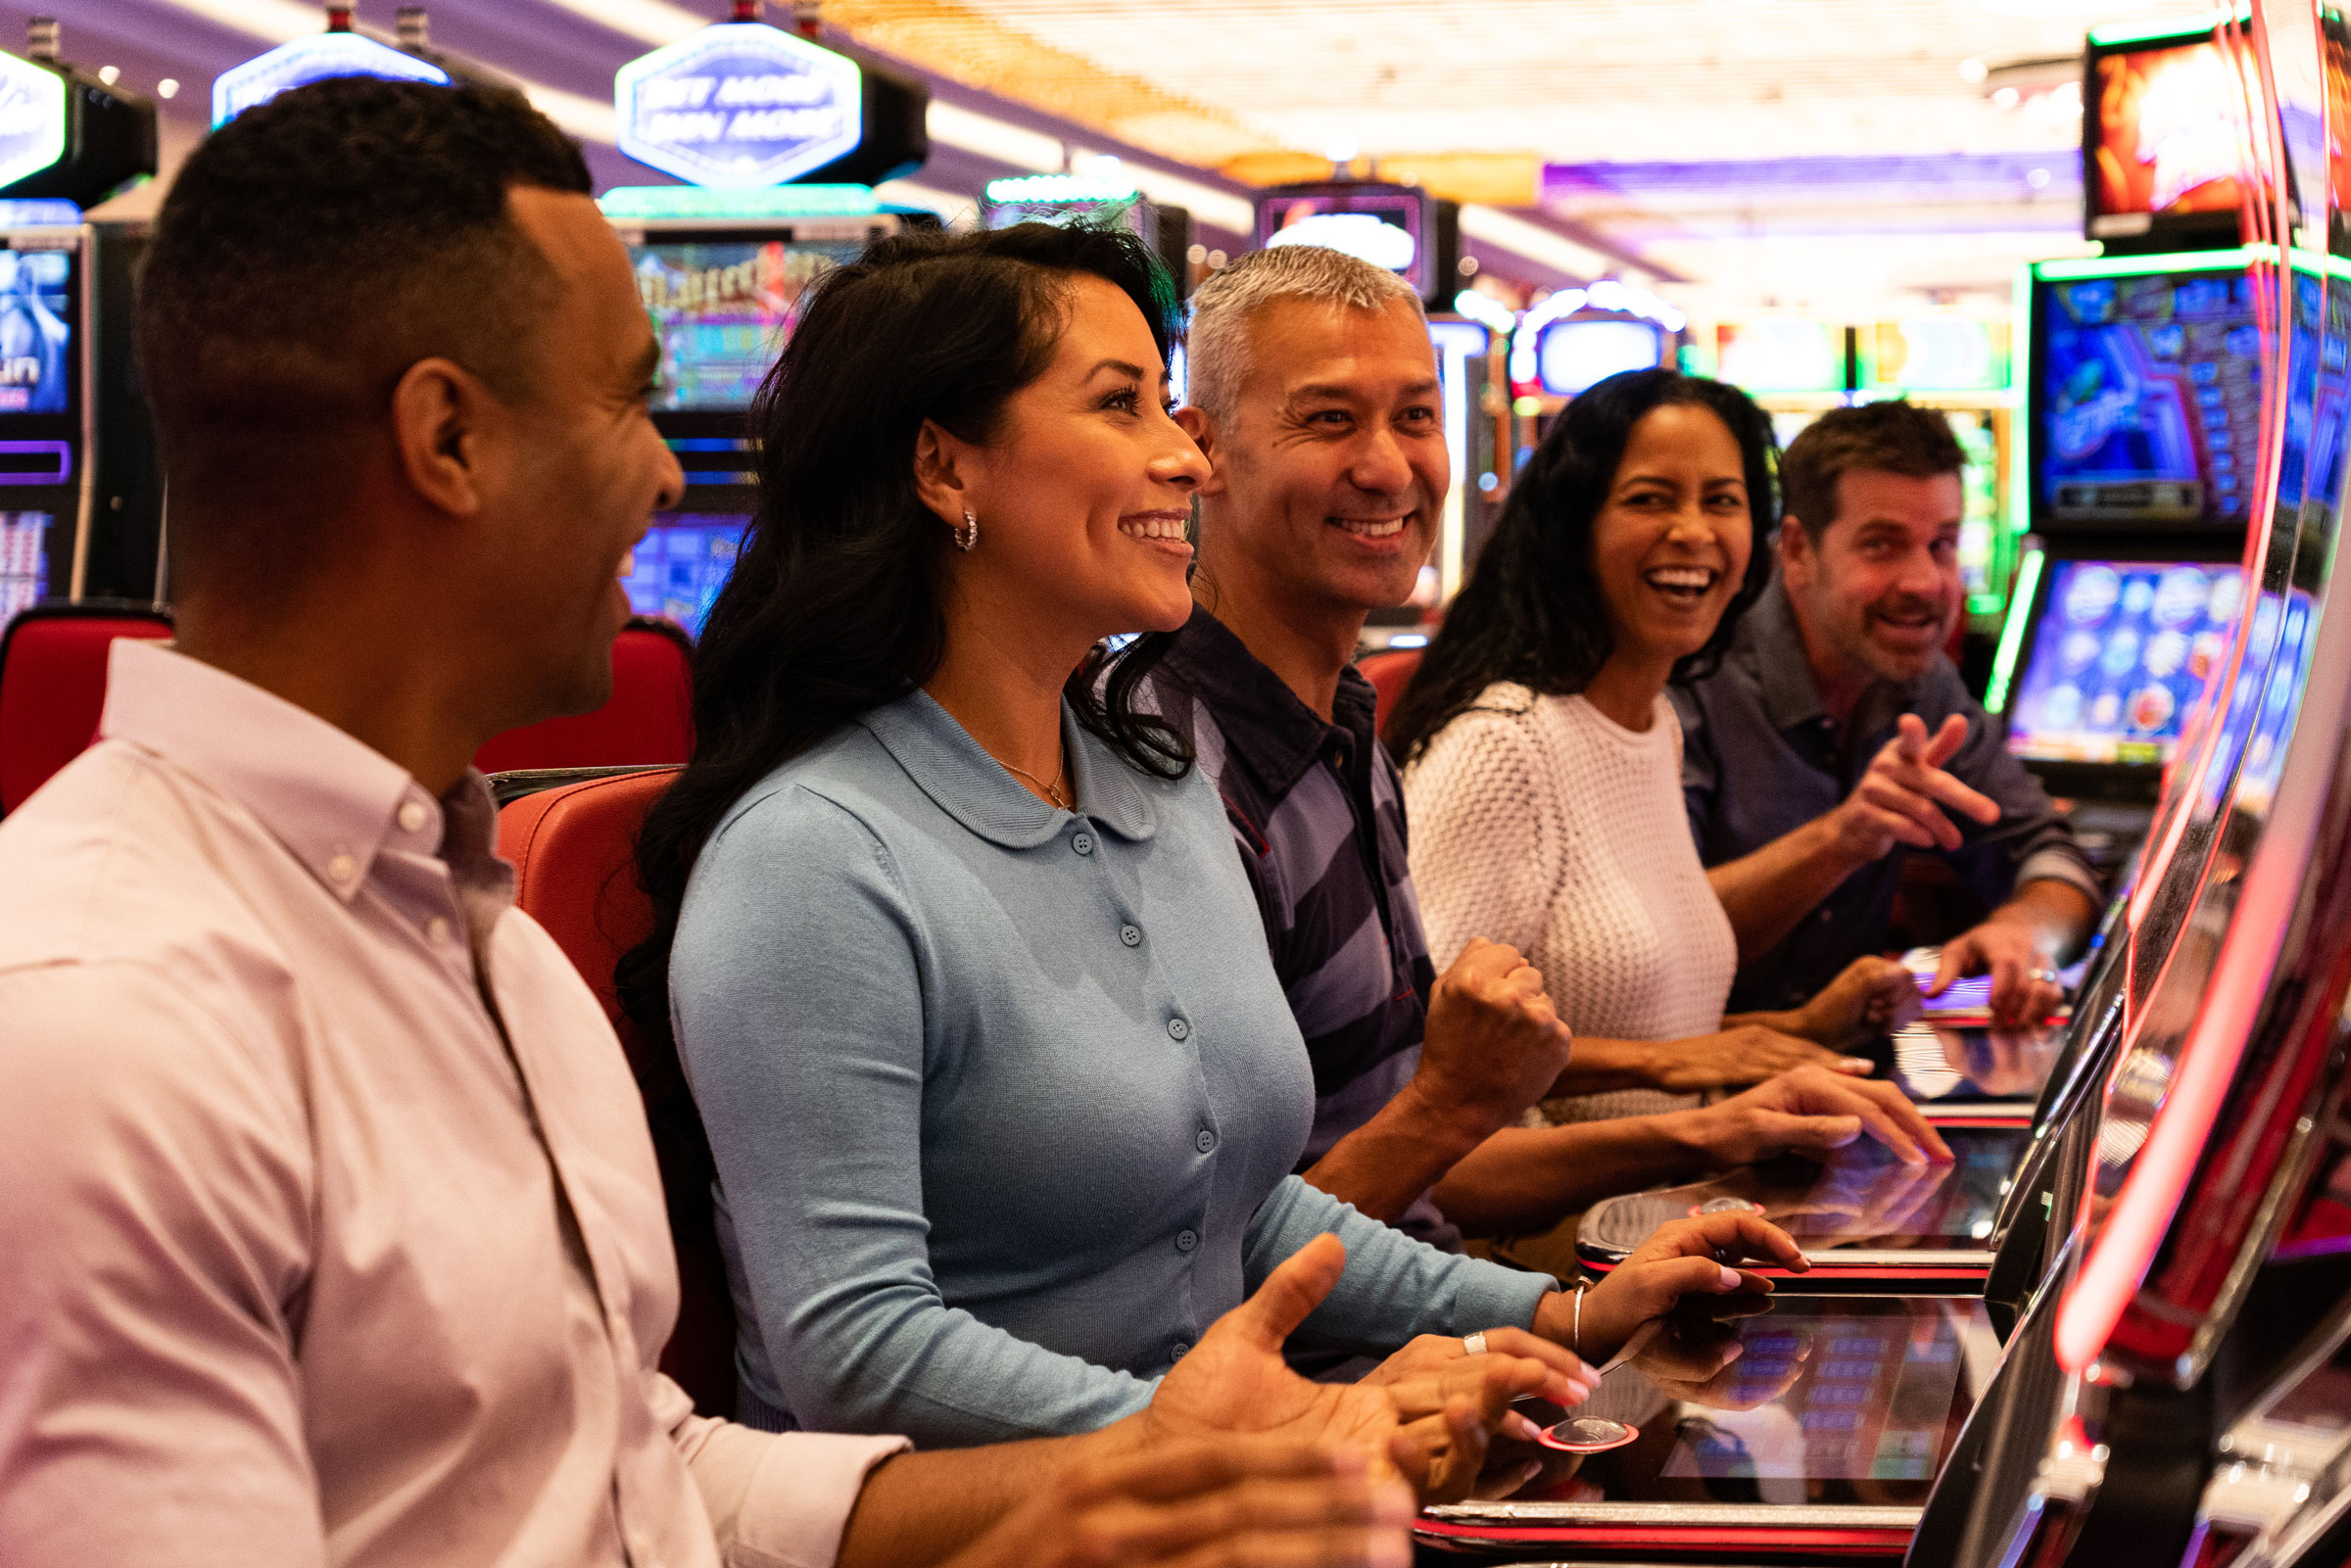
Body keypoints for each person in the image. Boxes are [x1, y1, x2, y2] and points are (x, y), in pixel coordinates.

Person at [0, 79, 1539, 1568]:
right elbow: (842, 1353)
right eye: (628, 399)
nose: (671, 474)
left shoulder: (485, 945)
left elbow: (637, 1468)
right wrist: (1181, 1451)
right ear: (447, 441)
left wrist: (1166, 1463)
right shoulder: (102, 1021)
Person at [628, 222, 1814, 1455]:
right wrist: (1283, 1428)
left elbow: (1244, 1215)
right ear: (944, 467)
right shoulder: (814, 858)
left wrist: (1563, 1310)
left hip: (1232, 1489)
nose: (1179, 457)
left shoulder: (1155, 781)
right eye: (1122, 403)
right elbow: (857, 1355)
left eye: (1167, 405)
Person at [1150, 245, 1950, 1253]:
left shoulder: (1352, 732)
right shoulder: (1175, 769)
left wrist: (1757, 1051)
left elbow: (1420, 1100)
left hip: (1475, 1307)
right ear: (1200, 448)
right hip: (1397, 1341)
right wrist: (1573, 1298)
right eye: (1329, 418)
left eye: (1415, 417)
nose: (1387, 464)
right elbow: (1224, 1254)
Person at [1391, 369, 1925, 1128]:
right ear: (1575, 525)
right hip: (1526, 1240)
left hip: (1655, 1218)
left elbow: (1640, 1032)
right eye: (1649, 499)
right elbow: (1420, 1056)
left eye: (1722, 501)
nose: (1694, 532)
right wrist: (1678, 1070)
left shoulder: (1655, 724)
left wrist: (1800, 1032)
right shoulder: (1503, 745)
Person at [1671, 401, 2101, 1027]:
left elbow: (2048, 855)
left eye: (1942, 544)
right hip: (1681, 1085)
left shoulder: (1922, 682)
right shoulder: (1691, 676)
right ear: (1796, 552)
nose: (1925, 582)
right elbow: (1656, 946)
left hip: (1836, 1076)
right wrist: (1842, 839)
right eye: (1881, 545)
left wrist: (2024, 933)